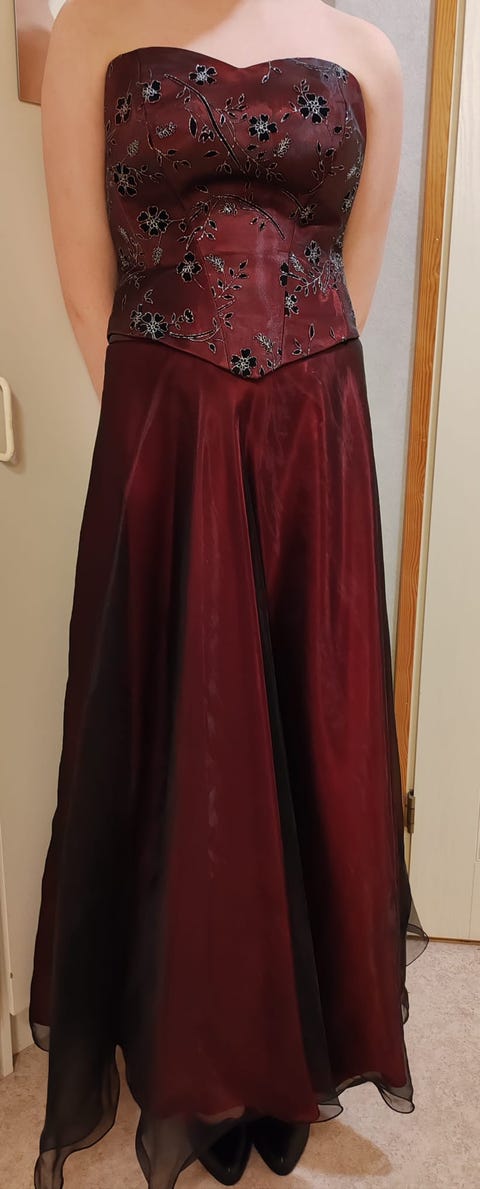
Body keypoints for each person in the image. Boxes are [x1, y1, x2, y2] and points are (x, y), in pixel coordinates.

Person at [29, 2, 429, 1186]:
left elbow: (351, 276)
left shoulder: (369, 55)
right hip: (164, 423)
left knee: (311, 729)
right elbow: (87, 290)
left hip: (314, 431)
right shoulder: (90, 31)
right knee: (185, 729)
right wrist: (174, 424)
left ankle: (291, 1045)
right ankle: (192, 1042)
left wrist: (287, 406)